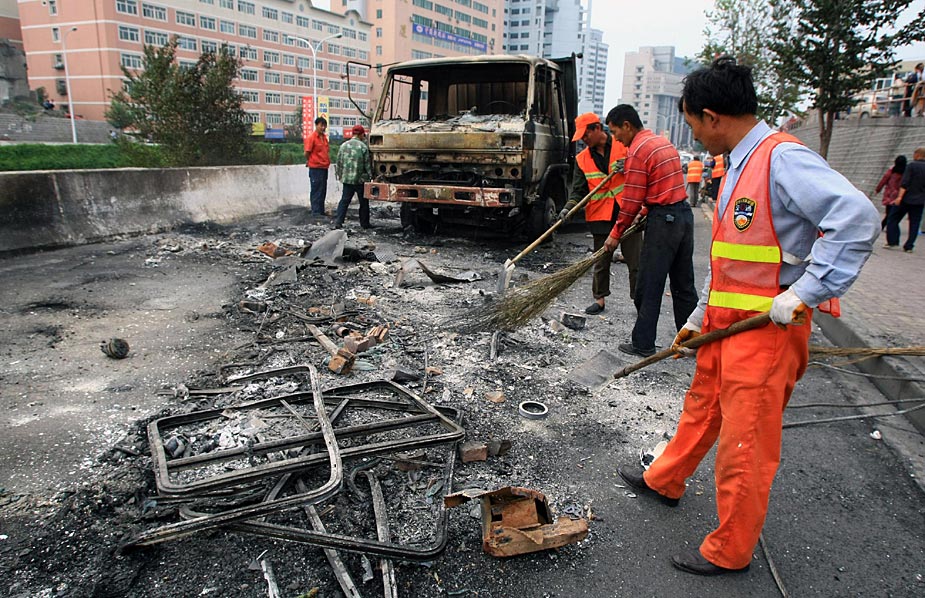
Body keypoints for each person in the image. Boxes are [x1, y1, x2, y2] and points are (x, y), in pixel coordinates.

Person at [616, 56, 879, 577]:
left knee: (745, 444)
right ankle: (665, 479)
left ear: (712, 117)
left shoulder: (783, 159)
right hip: (725, 326)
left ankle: (730, 549)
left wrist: (804, 292)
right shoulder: (737, 162)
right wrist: (698, 315)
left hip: (766, 333)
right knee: (701, 409)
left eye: (692, 122)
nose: (692, 132)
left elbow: (857, 219)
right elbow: (732, 259)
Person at [603, 104, 699, 357]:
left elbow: (630, 200)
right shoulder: (662, 143)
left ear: (627, 125)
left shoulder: (638, 151)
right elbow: (661, 184)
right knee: (683, 284)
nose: (615, 138)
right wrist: (646, 210)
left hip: (664, 222)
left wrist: (615, 234)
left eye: (615, 131)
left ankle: (643, 344)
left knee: (648, 285)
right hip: (683, 216)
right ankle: (691, 342)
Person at [558, 112, 642, 312]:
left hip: (627, 212)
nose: (584, 140)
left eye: (586, 135)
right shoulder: (582, 159)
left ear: (597, 128)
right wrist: (568, 208)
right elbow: (578, 190)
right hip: (600, 216)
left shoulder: (624, 145)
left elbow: (642, 171)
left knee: (636, 261)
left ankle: (639, 301)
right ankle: (599, 299)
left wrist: (629, 166)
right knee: (601, 261)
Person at [333, 124, 373, 229]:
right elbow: (367, 165)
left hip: (347, 180)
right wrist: (371, 177)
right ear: (361, 134)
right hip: (360, 180)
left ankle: (338, 222)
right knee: (364, 203)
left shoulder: (343, 146)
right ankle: (365, 224)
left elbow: (339, 163)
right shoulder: (363, 147)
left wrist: (340, 176)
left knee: (344, 201)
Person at [885, 147, 925, 250]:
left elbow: (905, 183)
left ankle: (893, 241)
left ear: (917, 154)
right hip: (920, 201)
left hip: (906, 199)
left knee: (893, 218)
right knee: (915, 223)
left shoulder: (911, 166)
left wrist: (899, 197)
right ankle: (909, 246)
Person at [304, 117, 331, 219]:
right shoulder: (312, 138)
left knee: (322, 190)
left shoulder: (324, 138)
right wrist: (310, 161)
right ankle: (315, 212)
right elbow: (307, 152)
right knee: (316, 189)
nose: (323, 127)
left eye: (324, 126)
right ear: (316, 125)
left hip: (324, 167)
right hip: (315, 168)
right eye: (321, 125)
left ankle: (321, 210)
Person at [875, 155, 906, 229]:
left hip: (890, 194)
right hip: (899, 195)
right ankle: (889, 226)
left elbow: (884, 180)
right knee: (894, 213)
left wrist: (878, 189)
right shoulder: (906, 172)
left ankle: (883, 225)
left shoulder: (891, 170)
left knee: (888, 212)